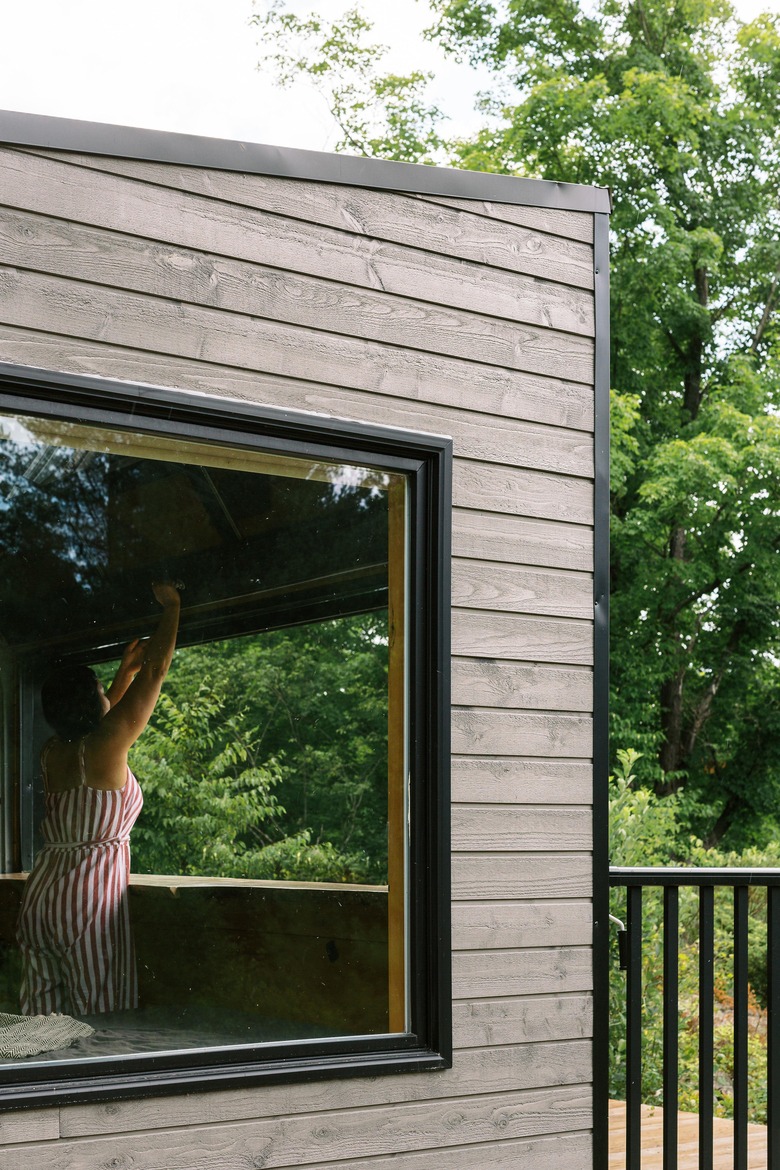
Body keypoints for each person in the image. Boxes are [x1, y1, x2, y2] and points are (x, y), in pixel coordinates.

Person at [17, 582, 181, 1017]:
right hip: (86, 903)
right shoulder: (104, 748)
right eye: (99, 688)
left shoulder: (54, 752)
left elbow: (101, 720)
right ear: (92, 700)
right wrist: (173, 608)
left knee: (39, 1025)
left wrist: (121, 678)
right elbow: (158, 670)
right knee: (99, 1023)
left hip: (42, 898)